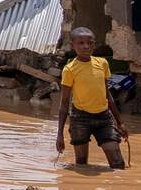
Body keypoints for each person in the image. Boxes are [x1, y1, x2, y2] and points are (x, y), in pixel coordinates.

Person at [55, 27, 129, 168]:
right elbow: (64, 103)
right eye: (81, 43)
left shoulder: (102, 64)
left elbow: (107, 95)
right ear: (73, 45)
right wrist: (60, 134)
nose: (86, 46)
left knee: (118, 164)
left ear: (94, 44)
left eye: (90, 43)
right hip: (80, 118)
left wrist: (120, 123)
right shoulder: (69, 69)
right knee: (82, 164)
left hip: (104, 118)